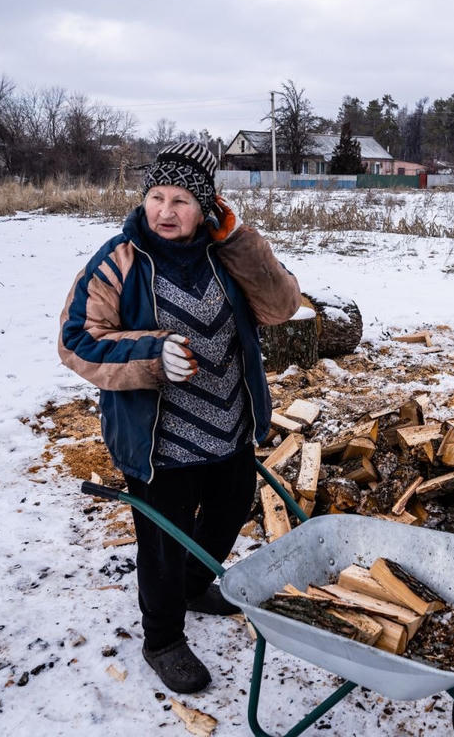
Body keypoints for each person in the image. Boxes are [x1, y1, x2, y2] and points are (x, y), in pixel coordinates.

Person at [58, 142, 300, 694]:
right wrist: (149, 355)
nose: (165, 211)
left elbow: (281, 306)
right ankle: (163, 638)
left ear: (207, 205)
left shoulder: (225, 254)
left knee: (229, 510)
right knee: (161, 543)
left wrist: (237, 237)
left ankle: (194, 586)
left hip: (229, 426)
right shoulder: (117, 260)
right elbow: (77, 341)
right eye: (156, 197)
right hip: (156, 440)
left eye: (182, 200)